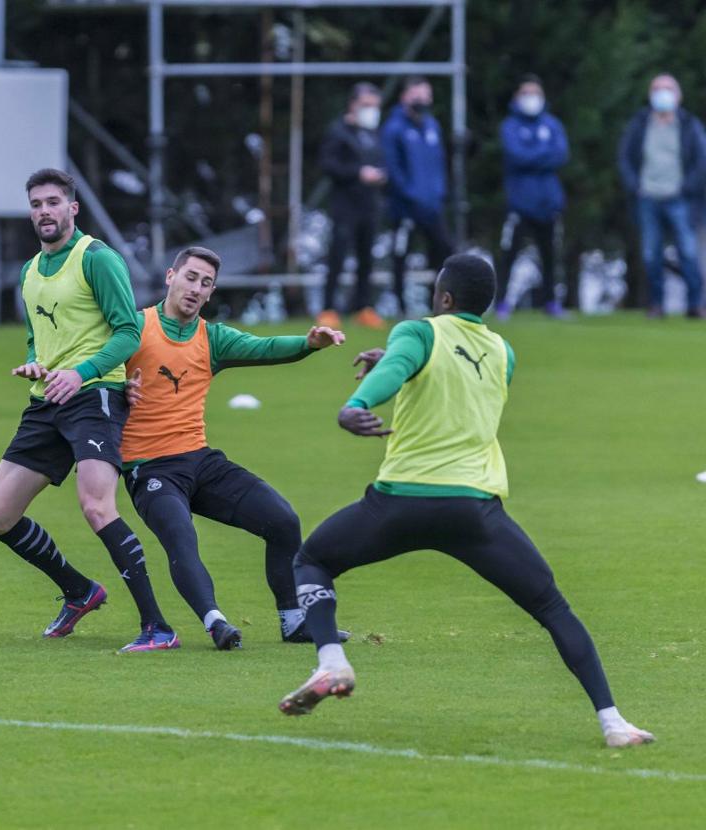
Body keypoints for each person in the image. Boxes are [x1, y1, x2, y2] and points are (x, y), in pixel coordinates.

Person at [278, 254, 655, 749]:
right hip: (473, 511)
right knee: (551, 606)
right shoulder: (504, 353)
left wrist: (357, 403)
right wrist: (393, 365)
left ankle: (331, 661)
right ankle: (613, 723)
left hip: (400, 502)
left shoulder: (417, 333)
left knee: (313, 559)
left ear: (445, 298)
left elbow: (402, 366)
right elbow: (446, 379)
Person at [0, 168, 176, 652]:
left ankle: (157, 626)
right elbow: (36, 338)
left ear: (73, 208)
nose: (43, 211)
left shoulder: (98, 259)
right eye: (36, 204)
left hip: (95, 399)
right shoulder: (29, 272)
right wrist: (34, 364)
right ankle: (78, 590)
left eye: (53, 202)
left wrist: (81, 373)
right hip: (45, 403)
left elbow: (129, 332)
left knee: (96, 506)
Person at [122, 246, 351, 650]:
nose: (196, 288)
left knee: (282, 520)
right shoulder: (133, 328)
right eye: (190, 277)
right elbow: (93, 375)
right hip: (150, 468)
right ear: (170, 277)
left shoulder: (212, 338)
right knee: (181, 536)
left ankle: (294, 621)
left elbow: (263, 348)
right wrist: (118, 388)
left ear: (211, 293)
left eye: (206, 283)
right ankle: (216, 623)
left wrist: (309, 342)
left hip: (200, 460)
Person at [617, 73, 706, 318]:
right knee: (651, 254)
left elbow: (701, 161)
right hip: (648, 197)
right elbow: (625, 157)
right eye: (657, 88)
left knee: (688, 252)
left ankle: (695, 305)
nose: (662, 93)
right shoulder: (640, 123)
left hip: (680, 199)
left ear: (678, 95)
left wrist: (687, 188)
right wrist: (635, 186)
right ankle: (656, 305)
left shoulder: (689, 125)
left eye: (667, 89)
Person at [495, 75, 570, 320]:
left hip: (548, 202)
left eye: (535, 93)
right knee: (509, 254)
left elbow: (561, 155)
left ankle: (551, 302)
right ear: (517, 97)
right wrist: (542, 156)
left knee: (551, 256)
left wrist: (532, 157)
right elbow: (516, 156)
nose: (532, 98)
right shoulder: (510, 126)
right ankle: (502, 303)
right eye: (526, 93)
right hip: (519, 202)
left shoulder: (553, 124)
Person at [382, 76, 453, 316]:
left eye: (427, 95)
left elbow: (439, 164)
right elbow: (394, 168)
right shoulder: (394, 128)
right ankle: (399, 305)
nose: (423, 100)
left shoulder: (432, 126)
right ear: (405, 96)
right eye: (418, 95)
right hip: (406, 207)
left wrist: (439, 193)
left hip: (432, 206)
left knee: (443, 251)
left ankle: (441, 304)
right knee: (401, 256)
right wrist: (410, 195)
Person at [318, 82, 387, 330]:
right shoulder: (338, 131)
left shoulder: (373, 133)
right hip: (344, 205)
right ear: (353, 104)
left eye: (375, 106)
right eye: (367, 105)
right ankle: (328, 309)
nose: (371, 111)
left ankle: (363, 307)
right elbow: (328, 165)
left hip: (369, 204)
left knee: (366, 258)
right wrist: (358, 173)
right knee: (337, 256)